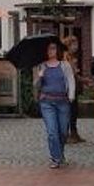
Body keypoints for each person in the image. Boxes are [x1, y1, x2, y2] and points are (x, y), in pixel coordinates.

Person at [34, 39, 76, 167]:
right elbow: (36, 86)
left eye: (53, 48)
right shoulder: (41, 66)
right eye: (48, 49)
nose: (51, 51)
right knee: (52, 131)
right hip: (47, 102)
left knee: (62, 131)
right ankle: (56, 158)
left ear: (57, 50)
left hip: (63, 101)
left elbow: (70, 80)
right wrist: (40, 76)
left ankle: (60, 154)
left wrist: (71, 95)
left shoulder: (64, 65)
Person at [62, 35, 84, 142]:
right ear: (68, 45)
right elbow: (70, 72)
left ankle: (74, 133)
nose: (76, 47)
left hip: (73, 86)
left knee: (74, 111)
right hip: (67, 88)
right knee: (70, 111)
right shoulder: (65, 57)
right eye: (74, 44)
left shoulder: (71, 57)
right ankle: (66, 134)